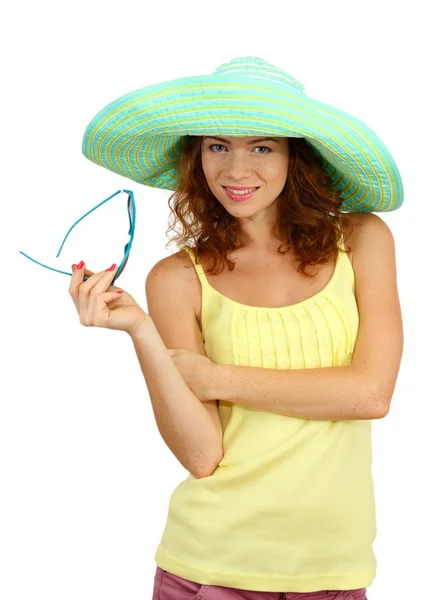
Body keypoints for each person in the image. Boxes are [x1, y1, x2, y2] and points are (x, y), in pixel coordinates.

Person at [71, 57, 404, 599]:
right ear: (196, 155)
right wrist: (141, 332)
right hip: (207, 566)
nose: (235, 169)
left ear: (298, 155)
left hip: (333, 569)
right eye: (217, 146)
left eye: (262, 146)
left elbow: (370, 393)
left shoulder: (363, 241)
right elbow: (203, 455)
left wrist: (215, 379)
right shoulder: (178, 278)